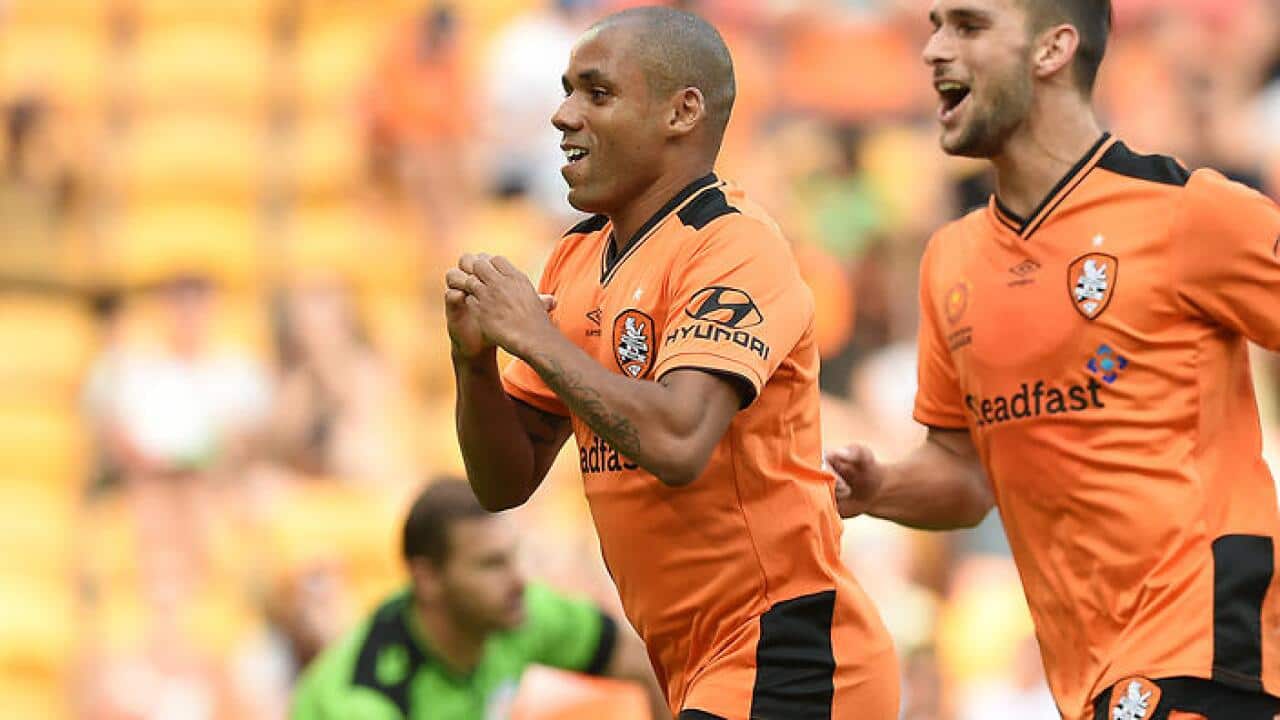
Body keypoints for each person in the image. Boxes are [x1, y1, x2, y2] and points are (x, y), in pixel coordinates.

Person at [825, 1, 1280, 718]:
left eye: (968, 27)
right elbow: (964, 475)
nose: (934, 50)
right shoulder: (952, 258)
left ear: (1052, 50)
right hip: (1087, 672)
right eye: (933, 25)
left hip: (1202, 648)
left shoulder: (1189, 214)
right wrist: (876, 488)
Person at [445, 7, 898, 719]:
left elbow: (680, 441)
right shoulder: (575, 256)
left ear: (682, 112)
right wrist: (473, 365)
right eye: (566, 90)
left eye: (596, 93)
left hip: (788, 648)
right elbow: (505, 481)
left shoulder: (734, 245)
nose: (563, 114)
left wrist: (536, 337)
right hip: (696, 662)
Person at [290, 478, 662, 719]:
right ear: (428, 579)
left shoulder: (518, 610)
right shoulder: (368, 700)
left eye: (513, 556)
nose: (518, 580)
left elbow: (646, 665)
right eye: (490, 565)